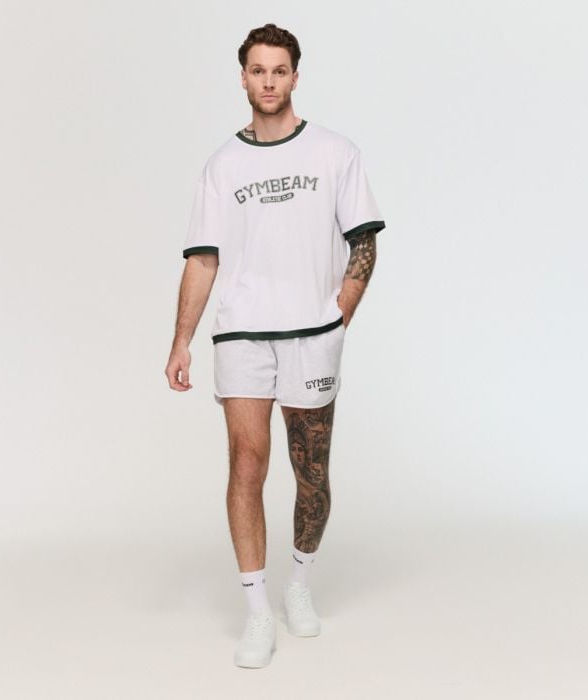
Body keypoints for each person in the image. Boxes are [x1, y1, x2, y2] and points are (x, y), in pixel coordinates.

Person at [165, 22, 385, 668]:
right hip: (242, 333)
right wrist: (181, 340)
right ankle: (257, 609)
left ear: (295, 76)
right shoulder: (222, 166)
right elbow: (202, 259)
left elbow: (364, 242)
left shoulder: (335, 153)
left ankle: (299, 583)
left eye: (279, 70)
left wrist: (336, 316)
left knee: (311, 470)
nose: (268, 81)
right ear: (243, 77)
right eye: (257, 70)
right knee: (246, 463)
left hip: (312, 334)